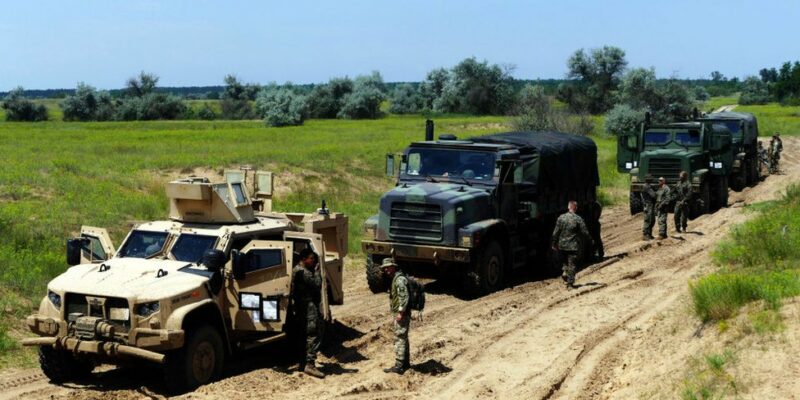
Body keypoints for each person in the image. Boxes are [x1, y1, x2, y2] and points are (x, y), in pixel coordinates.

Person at [291, 248, 325, 378]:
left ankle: (303, 362)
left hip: (302, 306)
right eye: (311, 258)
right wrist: (317, 271)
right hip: (308, 307)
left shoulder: (296, 270)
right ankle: (310, 364)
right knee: (313, 333)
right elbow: (317, 284)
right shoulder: (303, 272)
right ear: (304, 259)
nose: (313, 261)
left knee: (303, 334)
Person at [551, 201, 592, 289]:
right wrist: (590, 240)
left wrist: (554, 243)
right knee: (572, 264)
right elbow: (585, 232)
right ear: (576, 208)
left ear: (568, 207)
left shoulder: (561, 218)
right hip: (573, 246)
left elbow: (555, 232)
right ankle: (570, 284)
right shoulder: (578, 219)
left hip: (562, 245)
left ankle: (565, 271)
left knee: (565, 262)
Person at [381, 258, 411, 375]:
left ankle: (399, 366)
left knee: (399, 338)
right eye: (385, 268)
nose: (386, 270)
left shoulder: (399, 280)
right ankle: (405, 363)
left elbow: (404, 297)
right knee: (403, 337)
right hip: (401, 313)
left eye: (388, 267)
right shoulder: (396, 278)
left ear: (394, 267)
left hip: (402, 314)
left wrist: (400, 312)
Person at [641, 175, 657, 240]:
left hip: (650, 204)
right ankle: (645, 235)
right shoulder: (647, 187)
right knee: (648, 220)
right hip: (648, 205)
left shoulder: (648, 186)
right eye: (650, 179)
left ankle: (649, 234)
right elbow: (653, 195)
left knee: (652, 220)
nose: (652, 180)